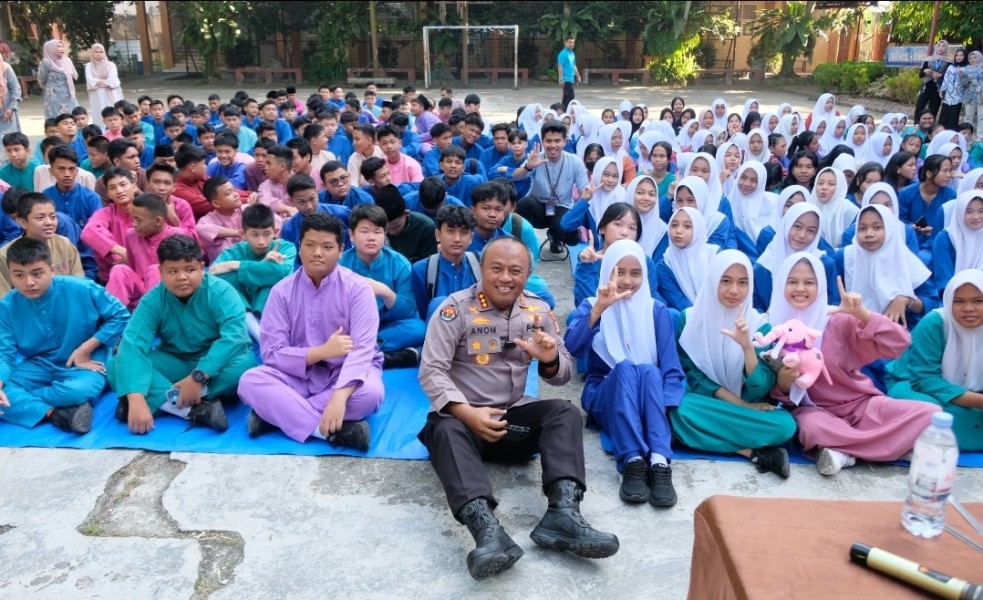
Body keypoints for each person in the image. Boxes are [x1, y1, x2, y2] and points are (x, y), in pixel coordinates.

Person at [418, 236, 618, 580]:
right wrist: (468, 413)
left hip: (510, 421)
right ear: (481, 270)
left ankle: (563, 514)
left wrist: (551, 359)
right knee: (444, 427)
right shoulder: (454, 309)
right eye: (496, 269)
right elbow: (431, 370)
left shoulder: (538, 310)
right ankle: (488, 533)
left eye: (515, 270)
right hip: (465, 423)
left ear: (528, 274)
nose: (505, 278)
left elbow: (565, 370)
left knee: (564, 412)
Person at [765, 252, 940, 475]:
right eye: (792, 282)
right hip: (814, 411)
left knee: (931, 413)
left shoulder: (837, 320)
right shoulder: (772, 329)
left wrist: (862, 313)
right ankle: (896, 448)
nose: (800, 288)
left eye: (809, 282)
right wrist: (785, 382)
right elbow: (775, 393)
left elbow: (899, 342)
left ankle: (844, 453)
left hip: (861, 406)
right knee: (811, 430)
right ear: (781, 284)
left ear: (820, 286)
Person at [237, 212, 384, 448]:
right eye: (310, 245)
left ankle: (277, 416)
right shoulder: (281, 292)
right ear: (299, 247)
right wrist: (321, 352)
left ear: (341, 249)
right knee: (249, 380)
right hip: (296, 375)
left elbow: (362, 351)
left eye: (327, 246)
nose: (317, 253)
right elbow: (272, 353)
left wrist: (339, 395)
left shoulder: (358, 290)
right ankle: (326, 431)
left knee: (370, 394)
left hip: (344, 373)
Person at [565, 239, 685, 505]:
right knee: (627, 367)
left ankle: (659, 462)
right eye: (619, 272)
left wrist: (657, 410)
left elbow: (671, 370)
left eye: (635, 273)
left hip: (647, 395)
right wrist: (600, 309)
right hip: (604, 392)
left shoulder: (656, 311)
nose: (627, 281)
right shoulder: (591, 305)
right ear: (607, 270)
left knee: (649, 371)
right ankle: (632, 460)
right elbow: (572, 347)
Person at [108, 235, 256, 434]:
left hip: (216, 362)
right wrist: (135, 398)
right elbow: (132, 345)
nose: (182, 277)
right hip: (174, 359)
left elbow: (234, 338)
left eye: (190, 269)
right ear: (160, 272)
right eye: (173, 271)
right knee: (115, 364)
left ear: (202, 268)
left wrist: (198, 378)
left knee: (245, 368)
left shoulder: (221, 292)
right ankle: (195, 409)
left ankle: (164, 401)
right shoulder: (153, 300)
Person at [672, 250, 797, 477]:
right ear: (712, 281)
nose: (734, 291)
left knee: (786, 425)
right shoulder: (689, 320)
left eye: (742, 282)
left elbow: (760, 387)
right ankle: (751, 452)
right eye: (726, 281)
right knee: (678, 410)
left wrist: (747, 348)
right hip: (709, 403)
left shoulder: (761, 326)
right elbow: (694, 378)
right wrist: (742, 406)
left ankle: (709, 435)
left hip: (746, 406)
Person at [0, 237, 129, 433]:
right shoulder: (7, 306)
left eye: (37, 273)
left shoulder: (82, 288)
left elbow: (121, 316)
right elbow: (5, 354)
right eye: (19, 275)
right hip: (39, 363)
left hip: (86, 360)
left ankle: (33, 403)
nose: (29, 282)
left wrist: (87, 347)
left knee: (79, 389)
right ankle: (56, 414)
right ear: (10, 275)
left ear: (52, 270)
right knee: (2, 393)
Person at [886, 270, 983, 451]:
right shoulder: (936, 322)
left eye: (978, 301)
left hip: (970, 393)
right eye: (958, 301)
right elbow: (924, 378)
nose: (968, 308)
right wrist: (977, 401)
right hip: (913, 383)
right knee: (932, 413)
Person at [339, 204, 426, 368]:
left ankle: (360, 352)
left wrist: (385, 292)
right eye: (364, 231)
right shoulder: (340, 264)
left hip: (386, 327)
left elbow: (408, 311)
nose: (371, 237)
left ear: (385, 234)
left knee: (418, 328)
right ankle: (385, 356)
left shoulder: (400, 263)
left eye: (377, 231)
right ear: (351, 234)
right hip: (353, 327)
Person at [514, 122, 591, 255]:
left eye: (557, 141)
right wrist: (528, 167)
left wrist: (586, 197)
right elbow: (515, 177)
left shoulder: (574, 162)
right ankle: (524, 244)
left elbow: (583, 192)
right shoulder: (536, 158)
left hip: (562, 206)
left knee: (573, 238)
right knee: (524, 204)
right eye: (548, 141)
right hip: (538, 206)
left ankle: (555, 235)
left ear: (565, 141)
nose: (553, 145)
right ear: (542, 141)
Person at [105, 193, 186, 310]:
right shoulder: (131, 235)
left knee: (155, 270)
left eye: (138, 220)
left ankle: (155, 317)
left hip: (169, 294)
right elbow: (132, 268)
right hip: (141, 291)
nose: (134, 224)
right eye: (133, 218)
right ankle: (111, 314)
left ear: (158, 221)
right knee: (120, 269)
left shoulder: (178, 236)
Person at [0, 191, 84, 297]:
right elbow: (4, 300)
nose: (49, 222)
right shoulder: (5, 255)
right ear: (22, 222)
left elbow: (78, 284)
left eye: (53, 217)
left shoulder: (64, 245)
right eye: (40, 218)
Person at [411, 205, 479, 321]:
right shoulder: (422, 270)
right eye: (451, 231)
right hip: (439, 331)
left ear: (471, 237)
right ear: (438, 235)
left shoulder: (481, 264)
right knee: (439, 303)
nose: (457, 239)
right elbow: (423, 311)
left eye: (464, 232)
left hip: (476, 328)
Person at [932, 190, 983, 291]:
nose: (976, 217)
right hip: (955, 296)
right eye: (969, 211)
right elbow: (944, 280)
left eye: (981, 211)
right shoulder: (946, 238)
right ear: (959, 212)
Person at [374, 184, 436, 264]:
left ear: (406, 213)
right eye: (385, 229)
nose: (391, 232)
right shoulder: (372, 228)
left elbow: (428, 265)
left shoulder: (425, 227)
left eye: (396, 227)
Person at [84, 43, 123, 129]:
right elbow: (90, 81)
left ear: (104, 53)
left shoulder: (110, 65)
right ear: (92, 53)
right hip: (96, 95)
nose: (98, 54)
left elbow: (113, 81)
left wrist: (97, 82)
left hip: (111, 94)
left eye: (101, 52)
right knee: (98, 113)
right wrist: (105, 81)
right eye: (96, 52)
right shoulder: (89, 66)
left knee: (112, 112)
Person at [37, 40, 78, 119]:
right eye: (58, 47)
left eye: (62, 46)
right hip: (54, 97)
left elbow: (73, 76)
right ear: (51, 49)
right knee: (56, 120)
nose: (61, 49)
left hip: (69, 95)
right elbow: (41, 80)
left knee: (72, 118)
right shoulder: (46, 62)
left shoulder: (67, 60)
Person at [916, 39, 951, 120]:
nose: (940, 48)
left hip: (938, 88)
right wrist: (926, 71)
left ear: (946, 48)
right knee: (920, 106)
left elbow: (949, 76)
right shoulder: (928, 59)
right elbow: (921, 74)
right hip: (926, 85)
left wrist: (941, 75)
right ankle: (917, 124)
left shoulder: (949, 62)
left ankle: (931, 128)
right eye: (939, 46)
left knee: (934, 108)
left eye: (943, 46)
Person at [0, 49, 21, 139]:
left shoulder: (5, 68)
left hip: (6, 112)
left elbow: (15, 88)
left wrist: (12, 107)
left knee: (9, 141)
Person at [557, 36, 581, 111]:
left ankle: (561, 112)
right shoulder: (563, 54)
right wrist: (561, 79)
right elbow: (560, 66)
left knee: (566, 96)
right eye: (569, 42)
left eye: (573, 42)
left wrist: (578, 76)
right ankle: (565, 111)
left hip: (570, 79)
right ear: (565, 43)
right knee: (571, 95)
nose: (571, 44)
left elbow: (573, 66)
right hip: (565, 79)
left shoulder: (572, 53)